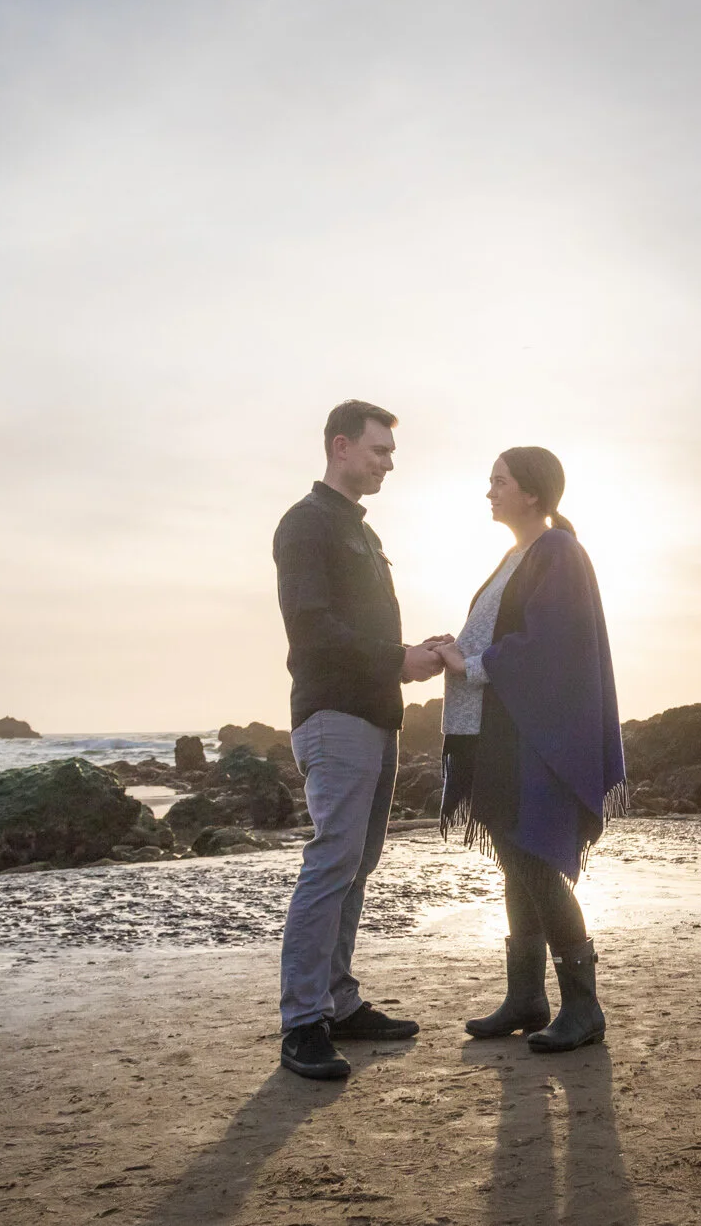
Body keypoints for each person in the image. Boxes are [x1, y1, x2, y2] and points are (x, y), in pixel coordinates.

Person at [272, 399, 449, 1081]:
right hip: (335, 714)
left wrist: (414, 654)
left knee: (357, 864)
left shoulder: (362, 533)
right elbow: (311, 627)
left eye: (392, 454)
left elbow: (366, 632)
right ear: (341, 446)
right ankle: (302, 1022)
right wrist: (397, 658)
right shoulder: (306, 524)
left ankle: (338, 1001)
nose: (388, 464)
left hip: (377, 716)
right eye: (379, 451)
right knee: (331, 862)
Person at [436, 446, 624, 1053]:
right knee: (516, 861)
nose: (489, 490)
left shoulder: (559, 552)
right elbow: (496, 636)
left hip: (531, 739)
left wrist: (471, 662)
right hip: (498, 735)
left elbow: (550, 645)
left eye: (500, 481)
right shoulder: (516, 557)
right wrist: (456, 650)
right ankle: (526, 997)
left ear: (533, 494)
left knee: (536, 862)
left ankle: (584, 1007)